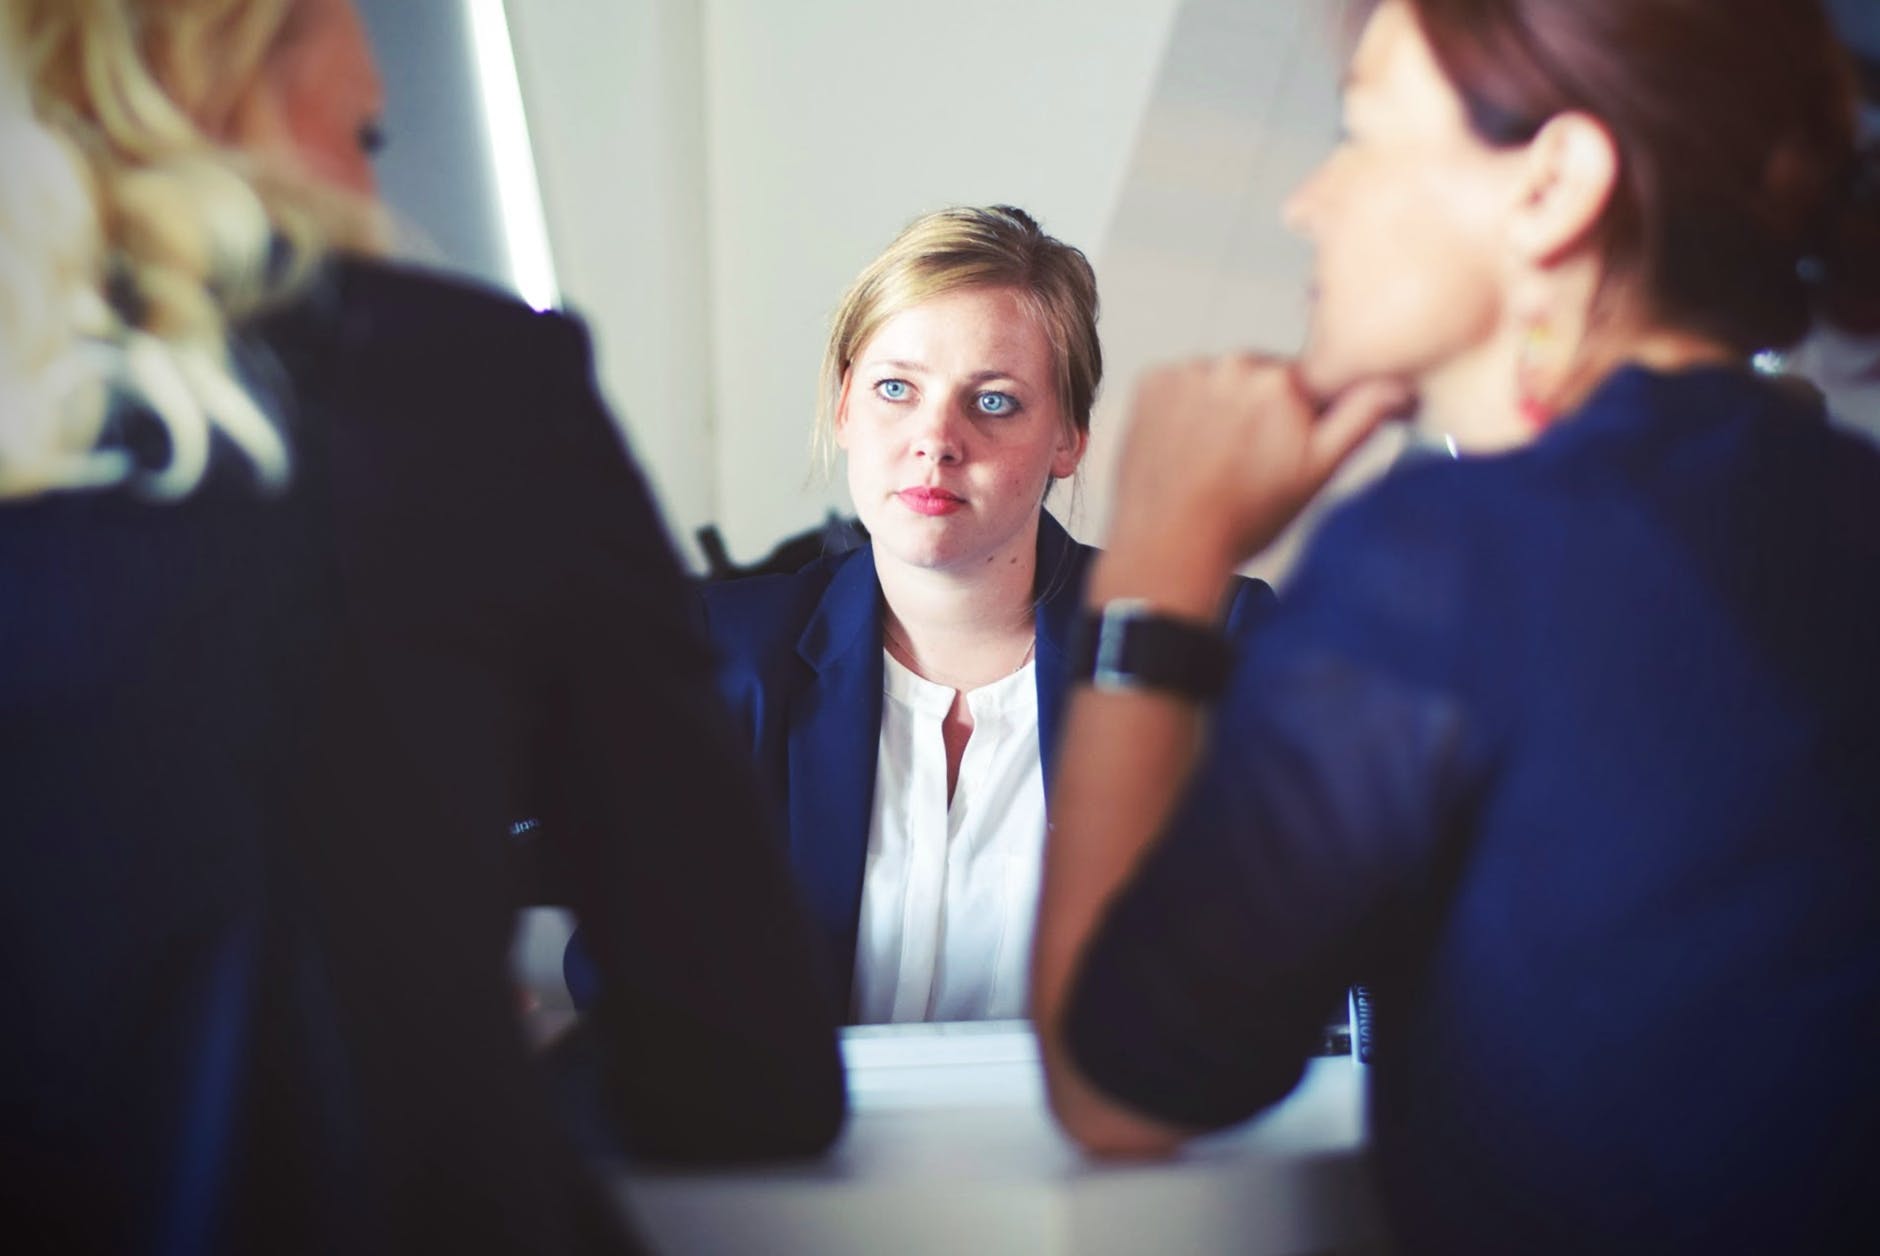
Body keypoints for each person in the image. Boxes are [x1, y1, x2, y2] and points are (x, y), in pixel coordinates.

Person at [1032, 1, 1880, 1252]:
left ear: (1550, 186)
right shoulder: (1846, 504)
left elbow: (1117, 1084)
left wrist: (1160, 552)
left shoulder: (1446, 558)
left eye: (1360, 135)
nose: (1306, 202)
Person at [0, 1, 843, 1252]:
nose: (368, 192)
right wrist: (454, 1040)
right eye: (371, 136)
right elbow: (742, 1061)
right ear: (237, 67)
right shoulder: (469, 392)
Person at [701, 205, 1276, 1023]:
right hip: (796, 1149)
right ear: (843, 408)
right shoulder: (721, 656)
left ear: (1070, 438)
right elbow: (628, 986)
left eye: (995, 402)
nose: (935, 440)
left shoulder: (1210, 642)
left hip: (1106, 1148)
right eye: (895, 389)